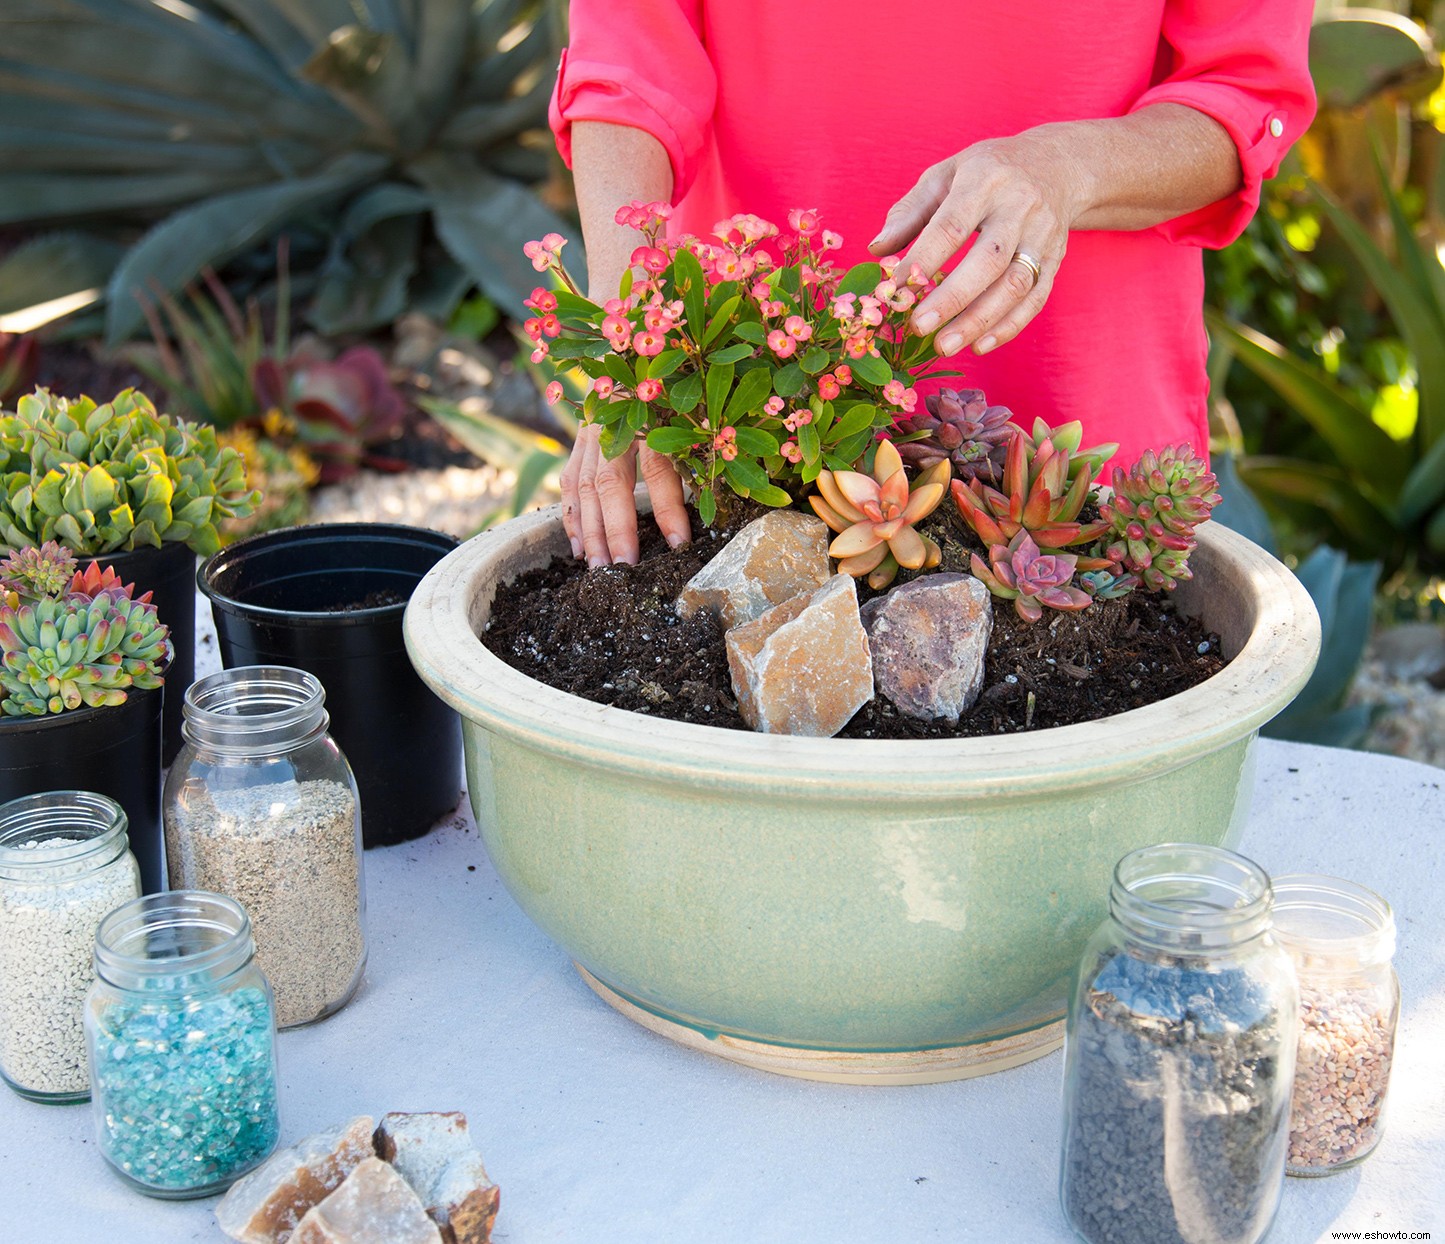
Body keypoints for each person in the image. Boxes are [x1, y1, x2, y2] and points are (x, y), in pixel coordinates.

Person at [548, 0, 1316, 566]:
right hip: (756, 422)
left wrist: (1063, 169)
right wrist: (637, 359)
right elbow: (628, 65)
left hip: (1072, 421)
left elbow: (1243, 91)